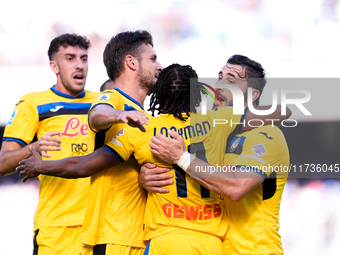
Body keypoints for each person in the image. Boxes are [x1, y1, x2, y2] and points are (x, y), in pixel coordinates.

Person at [17, 63, 289, 254]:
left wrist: (41, 164)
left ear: (157, 94)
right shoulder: (219, 123)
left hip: (166, 240)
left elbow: (84, 165)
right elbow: (281, 110)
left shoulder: (142, 129)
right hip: (212, 242)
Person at [145, 55, 290, 255]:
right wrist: (145, 176)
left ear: (253, 94)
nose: (220, 85)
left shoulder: (266, 136)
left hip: (255, 251)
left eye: (231, 81)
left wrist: (181, 157)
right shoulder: (217, 133)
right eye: (220, 77)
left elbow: (236, 188)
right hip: (218, 248)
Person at [0, 33, 98, 255]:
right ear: (54, 66)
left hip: (101, 227)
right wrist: (33, 147)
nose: (80, 65)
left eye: (84, 58)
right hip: (56, 228)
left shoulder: (103, 102)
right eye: (70, 58)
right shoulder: (33, 103)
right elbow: (2, 164)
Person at [83, 30, 162, 255]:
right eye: (153, 59)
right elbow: (97, 115)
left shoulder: (141, 113)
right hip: (113, 235)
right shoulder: (115, 99)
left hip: (137, 236)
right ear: (131, 62)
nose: (159, 66)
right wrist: (118, 115)